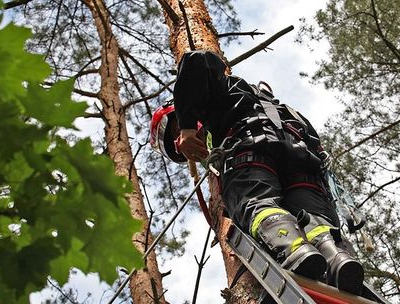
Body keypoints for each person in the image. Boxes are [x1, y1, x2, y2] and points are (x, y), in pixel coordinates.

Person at [150, 50, 364, 294]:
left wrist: (188, 127)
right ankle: (335, 256)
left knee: (256, 204)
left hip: (250, 148)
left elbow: (195, 61)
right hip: (302, 159)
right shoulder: (272, 105)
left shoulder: (217, 93)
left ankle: (294, 248)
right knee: (315, 221)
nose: (184, 143)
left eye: (177, 132)